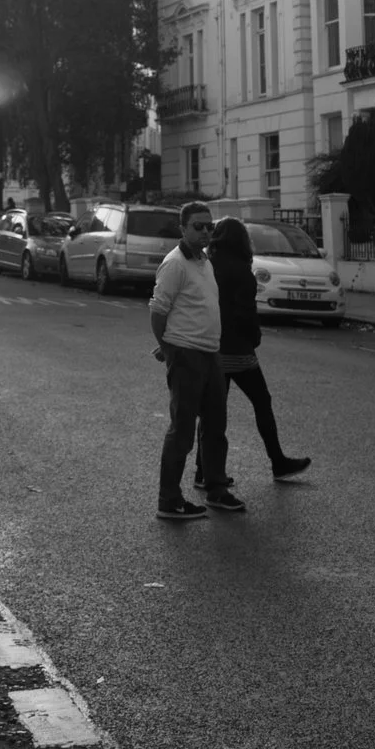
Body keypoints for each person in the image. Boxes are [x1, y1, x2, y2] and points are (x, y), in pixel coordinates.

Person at [194, 217, 313, 492]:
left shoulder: (207, 267)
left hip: (212, 347)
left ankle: (203, 470)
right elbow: (246, 313)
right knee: (262, 402)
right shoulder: (241, 271)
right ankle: (278, 462)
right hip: (238, 350)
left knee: (212, 412)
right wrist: (254, 339)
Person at [149, 200, 232, 520]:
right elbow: (158, 312)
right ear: (182, 229)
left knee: (215, 427)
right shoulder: (175, 264)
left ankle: (217, 490)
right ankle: (169, 499)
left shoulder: (204, 261)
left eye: (209, 227)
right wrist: (169, 349)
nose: (205, 232)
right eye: (198, 226)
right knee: (182, 430)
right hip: (186, 355)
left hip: (211, 354)